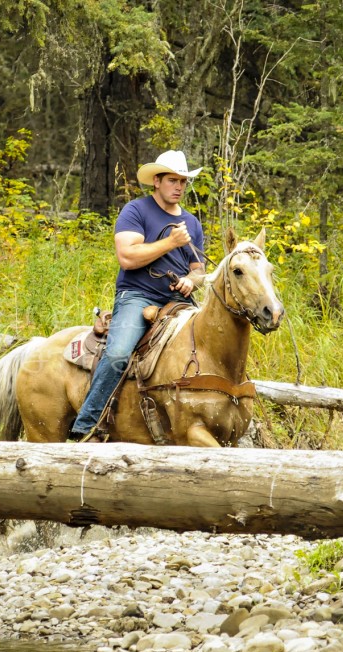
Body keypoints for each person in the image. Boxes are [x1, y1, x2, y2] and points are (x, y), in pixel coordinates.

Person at [69, 150, 207, 443]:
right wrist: (170, 242)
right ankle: (89, 424)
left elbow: (199, 269)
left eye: (183, 181)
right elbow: (128, 257)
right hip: (138, 296)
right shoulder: (136, 211)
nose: (179, 186)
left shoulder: (192, 223)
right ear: (156, 181)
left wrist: (190, 282)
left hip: (178, 304)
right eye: (172, 180)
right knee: (118, 353)